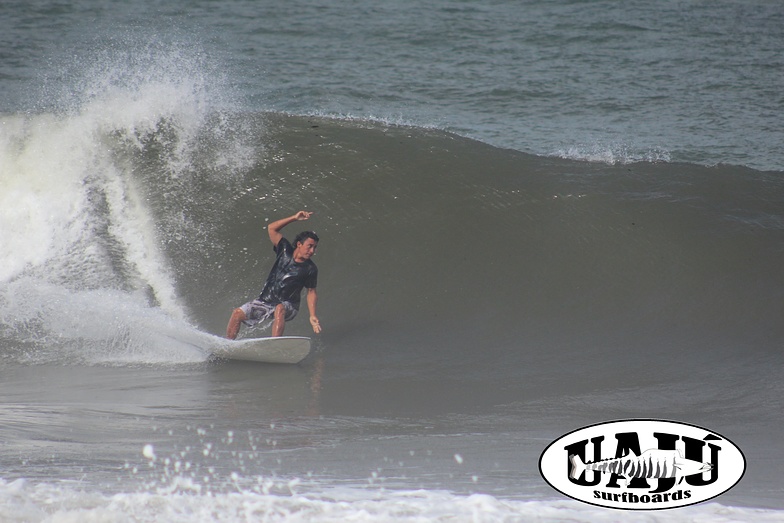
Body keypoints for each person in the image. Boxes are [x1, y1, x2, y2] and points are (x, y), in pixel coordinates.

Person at [226, 211, 321, 339]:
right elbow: (271, 228)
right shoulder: (285, 250)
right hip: (266, 301)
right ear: (299, 244)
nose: (312, 251)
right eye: (310, 246)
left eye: (314, 247)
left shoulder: (310, 269)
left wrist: (312, 315)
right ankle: (228, 345)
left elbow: (311, 292)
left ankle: (275, 343)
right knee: (237, 313)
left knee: (279, 308)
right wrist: (294, 218)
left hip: (289, 306)